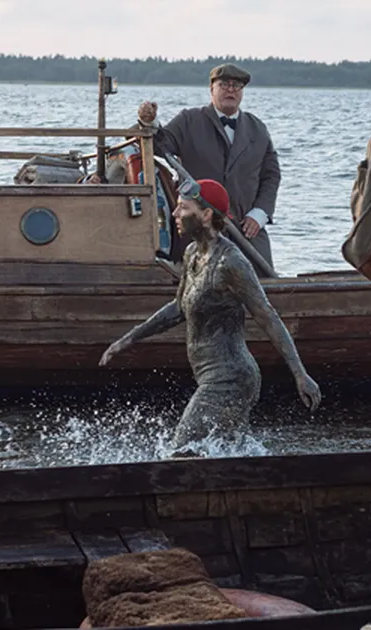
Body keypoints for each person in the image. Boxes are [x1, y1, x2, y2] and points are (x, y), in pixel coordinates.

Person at [98, 179, 321, 452]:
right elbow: (179, 307)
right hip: (210, 376)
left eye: (183, 208)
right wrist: (128, 340)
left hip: (231, 379)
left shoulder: (232, 263)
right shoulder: (193, 253)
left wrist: (300, 374)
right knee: (221, 456)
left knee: (181, 451)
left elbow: (267, 316)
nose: (175, 214)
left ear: (205, 215)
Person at [135, 63, 281, 269]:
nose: (231, 90)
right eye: (224, 84)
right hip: (197, 229)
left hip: (246, 230)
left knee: (264, 285)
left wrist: (259, 214)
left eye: (237, 85)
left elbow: (272, 176)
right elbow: (158, 146)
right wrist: (148, 122)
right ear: (211, 89)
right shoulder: (189, 120)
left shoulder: (257, 128)